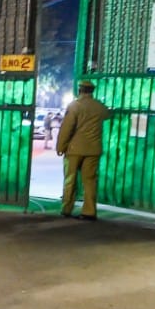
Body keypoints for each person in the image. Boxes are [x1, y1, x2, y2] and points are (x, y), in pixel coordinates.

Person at [57, 79, 111, 221]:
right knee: (89, 181)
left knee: (70, 180)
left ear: (80, 90)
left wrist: (60, 146)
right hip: (93, 150)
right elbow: (107, 114)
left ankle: (66, 208)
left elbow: (66, 128)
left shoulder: (74, 106)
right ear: (92, 91)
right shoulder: (99, 107)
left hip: (74, 149)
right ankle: (89, 211)